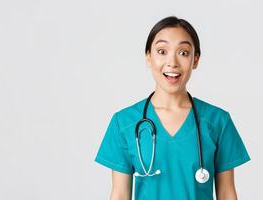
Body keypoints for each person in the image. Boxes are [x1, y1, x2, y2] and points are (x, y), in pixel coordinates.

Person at [94, 16, 250, 200]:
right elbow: (119, 195)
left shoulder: (217, 121)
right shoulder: (124, 123)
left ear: (196, 60)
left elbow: (227, 194)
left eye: (183, 53)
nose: (172, 62)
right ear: (148, 57)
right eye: (162, 51)